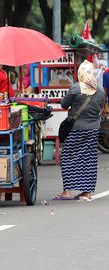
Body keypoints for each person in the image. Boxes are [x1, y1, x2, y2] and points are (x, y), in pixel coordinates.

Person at [54, 60, 105, 201]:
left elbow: (64, 105)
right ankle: (87, 192)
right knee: (88, 160)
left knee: (68, 158)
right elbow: (100, 107)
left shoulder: (76, 88)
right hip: (93, 129)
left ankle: (67, 191)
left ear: (80, 73)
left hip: (76, 129)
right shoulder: (100, 90)